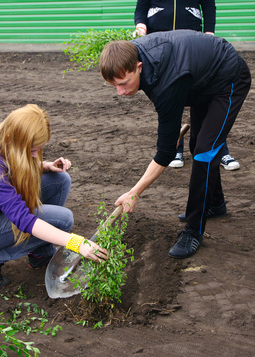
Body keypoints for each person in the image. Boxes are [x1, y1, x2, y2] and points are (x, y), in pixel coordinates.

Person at [99, 30, 251, 259]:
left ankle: (193, 231)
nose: (120, 92)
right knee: (196, 145)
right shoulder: (130, 53)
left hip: (227, 79)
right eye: (114, 85)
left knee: (204, 153)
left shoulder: (167, 83)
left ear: (138, 66)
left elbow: (166, 152)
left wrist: (134, 192)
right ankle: (216, 204)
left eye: (124, 83)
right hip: (198, 80)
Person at [0, 104, 108, 288]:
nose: (35, 156)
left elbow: (13, 165)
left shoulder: (2, 135)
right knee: (63, 221)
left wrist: (44, 165)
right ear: (14, 139)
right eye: (32, 150)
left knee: (60, 180)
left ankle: (40, 253)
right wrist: (76, 242)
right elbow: (23, 219)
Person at [132, 0, 240, 170]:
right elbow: (142, 5)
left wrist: (209, 31)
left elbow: (208, 4)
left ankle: (219, 149)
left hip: (191, 40)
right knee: (171, 98)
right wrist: (141, 25)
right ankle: (175, 149)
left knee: (207, 95)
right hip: (159, 41)